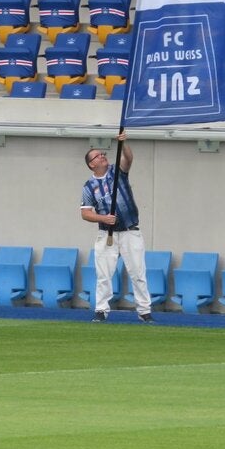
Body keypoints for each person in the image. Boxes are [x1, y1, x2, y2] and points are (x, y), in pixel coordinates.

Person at [80, 131, 153, 323]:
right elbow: (85, 213)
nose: (103, 156)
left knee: (138, 272)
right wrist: (103, 218)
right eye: (98, 156)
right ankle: (101, 310)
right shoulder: (88, 187)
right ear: (91, 164)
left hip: (130, 231)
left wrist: (124, 143)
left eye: (103, 153)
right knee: (104, 274)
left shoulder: (117, 172)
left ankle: (144, 311)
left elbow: (128, 158)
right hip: (107, 234)